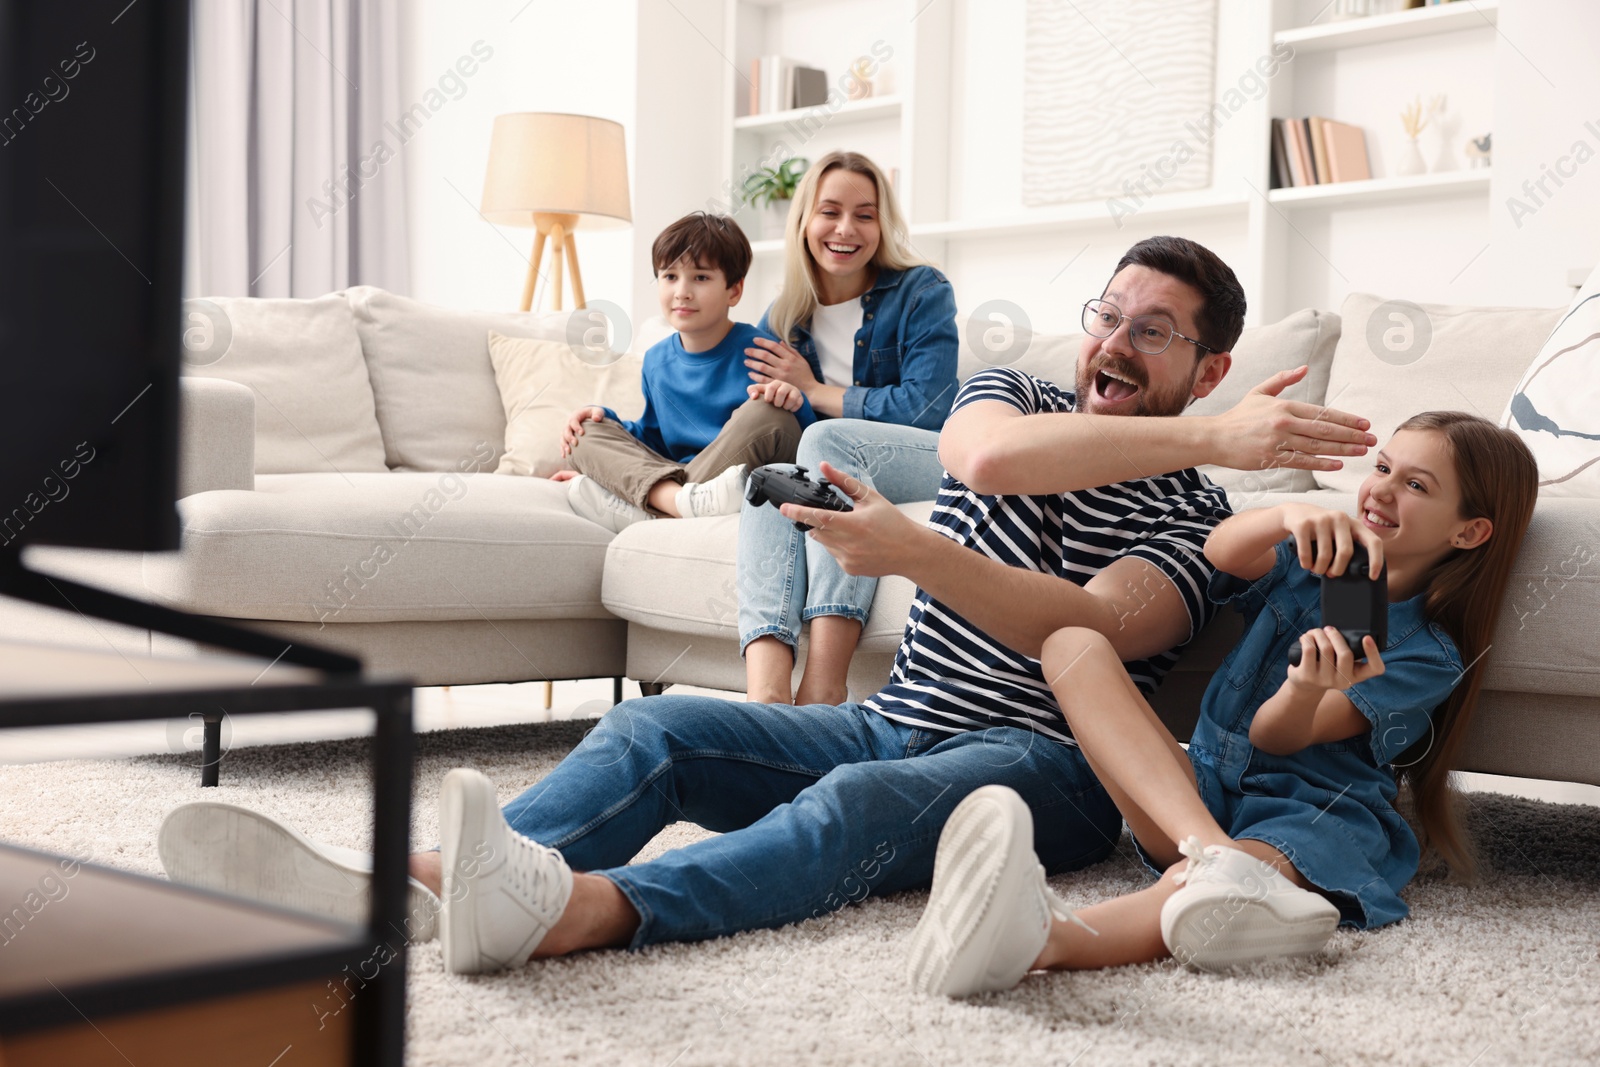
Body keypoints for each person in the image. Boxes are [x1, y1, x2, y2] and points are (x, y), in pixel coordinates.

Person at [154, 236, 1379, 976]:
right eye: (1104, 315)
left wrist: (914, 548)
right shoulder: (1004, 389)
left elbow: (1100, 633)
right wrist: (911, 536)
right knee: (655, 729)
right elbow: (993, 461)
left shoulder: (1188, 521)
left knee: (854, 804)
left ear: (1208, 372)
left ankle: (588, 910)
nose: (1112, 342)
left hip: (1047, 771)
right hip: (897, 714)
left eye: (1151, 333)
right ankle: (416, 885)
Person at [906, 411, 1538, 997]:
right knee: (1071, 642)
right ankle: (1215, 856)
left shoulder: (1427, 655)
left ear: (1469, 530)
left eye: (1417, 486)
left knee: (1220, 892)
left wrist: (1305, 688)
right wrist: (1290, 512)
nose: (1382, 490)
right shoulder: (1316, 562)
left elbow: (1279, 736)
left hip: (1304, 818)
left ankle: (1047, 937)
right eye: (1382, 468)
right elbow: (1222, 552)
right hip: (1195, 803)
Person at [735, 150, 959, 706]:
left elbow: (927, 409)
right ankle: (766, 699)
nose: (845, 229)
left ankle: (823, 687)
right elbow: (758, 426)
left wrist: (813, 392)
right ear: (804, 221)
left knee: (825, 439)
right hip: (833, 464)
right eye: (829, 211)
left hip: (936, 458)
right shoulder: (782, 319)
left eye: (865, 214)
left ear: (882, 225)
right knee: (767, 477)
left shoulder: (923, 291)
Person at [558, 212, 810, 531]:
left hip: (733, 473)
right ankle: (679, 504)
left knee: (768, 413)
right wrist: (603, 420)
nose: (682, 292)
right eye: (670, 276)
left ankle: (655, 506)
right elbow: (653, 438)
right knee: (585, 431)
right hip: (681, 476)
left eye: (700, 278)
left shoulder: (762, 351)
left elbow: (796, 438)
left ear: (734, 290)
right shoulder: (655, 361)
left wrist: (793, 400)